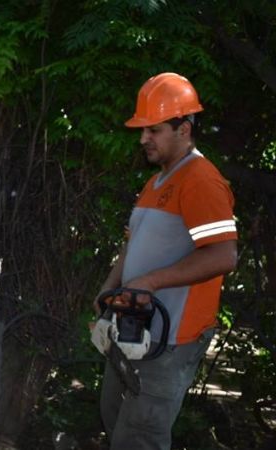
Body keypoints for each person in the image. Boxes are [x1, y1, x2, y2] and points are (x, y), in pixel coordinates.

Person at [93, 72, 238, 449]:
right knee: (115, 420)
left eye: (153, 130)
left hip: (170, 340)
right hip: (134, 329)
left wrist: (152, 282)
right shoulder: (157, 182)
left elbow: (224, 255)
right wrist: (110, 289)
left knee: (139, 436)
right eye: (142, 130)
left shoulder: (201, 180)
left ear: (183, 129)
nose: (143, 139)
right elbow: (132, 245)